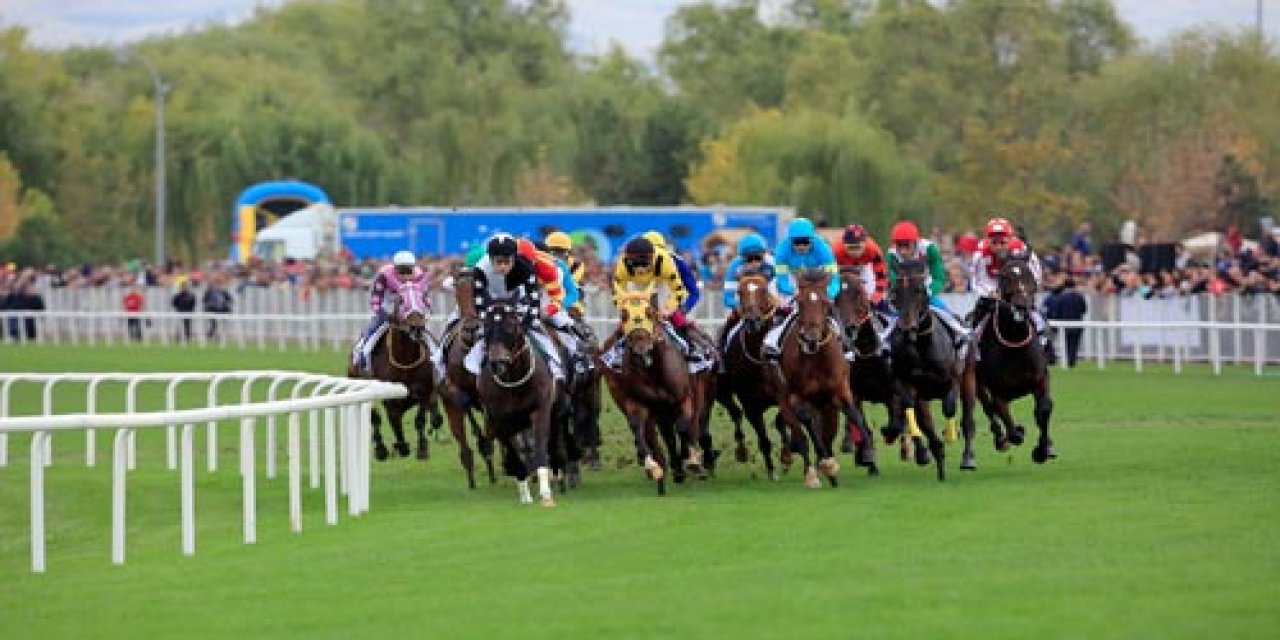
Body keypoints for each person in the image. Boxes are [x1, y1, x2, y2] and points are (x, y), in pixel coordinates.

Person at [462, 233, 569, 383]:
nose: (502, 267)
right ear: (490, 259)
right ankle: (471, 366)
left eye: (507, 262)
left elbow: (534, 300)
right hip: (492, 303)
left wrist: (526, 324)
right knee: (481, 332)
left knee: (538, 329)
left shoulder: (526, 266)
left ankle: (555, 365)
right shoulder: (480, 269)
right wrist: (488, 321)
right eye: (498, 262)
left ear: (514, 258)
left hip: (520, 301)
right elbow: (479, 302)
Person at [969, 216, 1054, 362]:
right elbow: (976, 280)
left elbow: (1035, 274)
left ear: (1010, 239)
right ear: (988, 240)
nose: (999, 245)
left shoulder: (1022, 249)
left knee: (1038, 317)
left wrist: (1024, 290)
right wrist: (990, 292)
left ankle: (1046, 346)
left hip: (1017, 290)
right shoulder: (980, 254)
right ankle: (973, 352)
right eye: (994, 241)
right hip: (992, 291)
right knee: (976, 321)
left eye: (1002, 241)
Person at [602, 236, 694, 368]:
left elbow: (678, 291)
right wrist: (625, 308)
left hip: (660, 283)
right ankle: (616, 353)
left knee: (675, 317)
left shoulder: (665, 262)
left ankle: (690, 347)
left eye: (645, 264)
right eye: (636, 264)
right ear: (628, 260)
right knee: (629, 320)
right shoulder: (622, 264)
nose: (641, 269)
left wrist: (667, 309)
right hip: (635, 286)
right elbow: (617, 292)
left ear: (652, 258)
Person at [885, 220, 969, 355]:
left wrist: (928, 291)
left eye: (907, 246)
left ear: (916, 242)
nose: (903, 251)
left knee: (943, 309)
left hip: (925, 287)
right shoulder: (891, 254)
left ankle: (960, 334)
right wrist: (900, 291)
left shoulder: (929, 248)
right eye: (899, 246)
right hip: (904, 292)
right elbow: (892, 278)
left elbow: (939, 276)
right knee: (891, 317)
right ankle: (884, 345)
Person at [763, 217, 841, 361]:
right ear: (790, 241)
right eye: (797, 242)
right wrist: (794, 293)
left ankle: (844, 344)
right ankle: (773, 342)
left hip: (817, 277)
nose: (801, 246)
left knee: (827, 306)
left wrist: (828, 295)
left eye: (805, 242)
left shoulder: (823, 248)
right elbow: (781, 281)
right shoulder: (782, 249)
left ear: (812, 239)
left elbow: (834, 279)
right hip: (793, 278)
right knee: (785, 306)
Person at [353, 250, 430, 373]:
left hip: (410, 311)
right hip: (386, 307)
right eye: (401, 270)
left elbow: (424, 297)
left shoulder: (419, 276)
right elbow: (376, 297)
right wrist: (380, 312)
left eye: (408, 270)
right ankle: (361, 357)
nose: (405, 274)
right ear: (395, 268)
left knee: (425, 333)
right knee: (371, 330)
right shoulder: (384, 274)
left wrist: (424, 311)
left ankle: (435, 361)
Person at [643, 230, 707, 359]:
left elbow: (694, 292)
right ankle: (615, 354)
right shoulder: (635, 262)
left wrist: (684, 308)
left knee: (680, 321)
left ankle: (695, 350)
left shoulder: (678, 262)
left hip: (671, 303)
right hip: (645, 304)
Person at [716, 232, 776, 368]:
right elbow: (728, 298)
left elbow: (782, 289)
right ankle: (721, 359)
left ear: (765, 254)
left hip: (769, 300)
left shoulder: (774, 263)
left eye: (758, 258)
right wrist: (742, 307)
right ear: (742, 258)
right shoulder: (734, 267)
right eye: (749, 259)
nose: (754, 262)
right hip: (745, 304)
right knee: (728, 326)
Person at [833, 224, 891, 314]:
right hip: (841, 268)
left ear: (865, 243)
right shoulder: (836, 250)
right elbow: (830, 275)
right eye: (851, 248)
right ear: (844, 244)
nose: (855, 252)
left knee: (871, 295)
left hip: (864, 267)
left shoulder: (873, 249)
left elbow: (881, 276)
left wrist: (876, 296)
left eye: (858, 247)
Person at [1043, 276, 1087, 367]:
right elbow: (1084, 309)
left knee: (1066, 343)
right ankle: (1071, 362)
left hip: (1064, 324)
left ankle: (1066, 361)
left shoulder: (1061, 298)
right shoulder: (1079, 297)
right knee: (1074, 344)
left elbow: (1057, 312)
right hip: (1077, 324)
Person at [202, 275, 233, 340]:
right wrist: (210, 304)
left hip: (222, 310)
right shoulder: (209, 292)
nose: (217, 285)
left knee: (221, 324)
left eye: (218, 283)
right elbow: (204, 300)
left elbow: (230, 299)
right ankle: (211, 335)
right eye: (216, 283)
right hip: (212, 310)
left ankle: (217, 336)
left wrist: (225, 303)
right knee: (214, 324)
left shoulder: (223, 291)